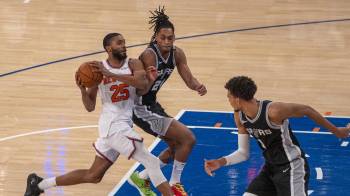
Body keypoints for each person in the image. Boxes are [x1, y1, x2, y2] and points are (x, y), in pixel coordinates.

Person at [24, 33, 173, 196]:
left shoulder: (133, 64)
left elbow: (141, 87)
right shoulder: (96, 69)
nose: (124, 45)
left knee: (93, 175)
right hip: (113, 126)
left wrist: (148, 80)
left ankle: (39, 185)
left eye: (124, 42)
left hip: (122, 124)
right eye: (119, 43)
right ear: (109, 48)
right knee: (150, 161)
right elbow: (90, 106)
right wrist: (82, 90)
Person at [204, 75, 350, 196]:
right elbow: (243, 153)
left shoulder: (273, 111)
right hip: (270, 169)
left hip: (292, 166)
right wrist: (220, 162)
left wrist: (336, 131)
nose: (228, 99)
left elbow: (307, 110)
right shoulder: (239, 116)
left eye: (229, 96)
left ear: (237, 99)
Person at [128, 6, 207, 196]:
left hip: (152, 105)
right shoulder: (149, 55)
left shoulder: (177, 54)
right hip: (139, 107)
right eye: (162, 37)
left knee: (176, 146)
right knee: (188, 138)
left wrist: (197, 86)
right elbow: (140, 88)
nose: (166, 41)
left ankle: (142, 177)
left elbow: (188, 78)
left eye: (170, 38)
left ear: (174, 38)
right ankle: (175, 183)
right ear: (156, 37)